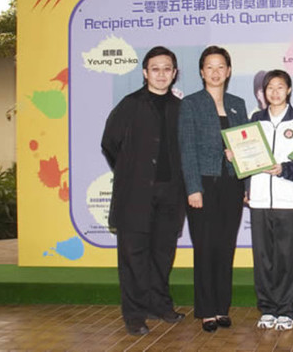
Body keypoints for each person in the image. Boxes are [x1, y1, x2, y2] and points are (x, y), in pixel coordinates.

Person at [101, 46, 186, 336]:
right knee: (133, 256)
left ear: (174, 74)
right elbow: (109, 143)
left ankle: (160, 305)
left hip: (170, 196)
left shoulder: (180, 109)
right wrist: (131, 173)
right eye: (155, 68)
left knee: (162, 254)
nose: (161, 74)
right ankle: (135, 314)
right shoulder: (130, 104)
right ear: (145, 72)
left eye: (167, 69)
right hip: (135, 195)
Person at [178, 46, 248, 333]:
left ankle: (222, 307)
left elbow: (247, 146)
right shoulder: (191, 103)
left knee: (225, 246)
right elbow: (186, 149)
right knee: (205, 246)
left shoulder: (237, 103)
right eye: (210, 67)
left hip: (232, 183)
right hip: (204, 184)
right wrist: (193, 188)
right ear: (201, 72)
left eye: (221, 66)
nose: (216, 72)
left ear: (229, 71)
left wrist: (243, 178)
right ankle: (206, 309)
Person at [248, 69, 293, 330]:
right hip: (259, 199)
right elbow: (248, 157)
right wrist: (245, 183)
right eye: (269, 88)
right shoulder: (255, 120)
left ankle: (286, 309)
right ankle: (267, 308)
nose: (274, 92)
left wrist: (283, 169)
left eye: (279, 87)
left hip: (288, 200)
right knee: (263, 256)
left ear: (289, 90)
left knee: (285, 256)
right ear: (263, 92)